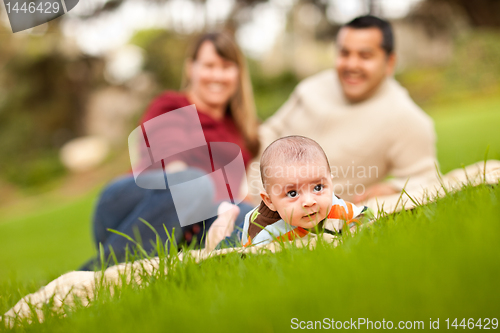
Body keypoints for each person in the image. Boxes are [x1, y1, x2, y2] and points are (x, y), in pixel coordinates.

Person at [81, 31, 260, 270]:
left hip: (193, 225)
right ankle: (94, 274)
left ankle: (151, 268)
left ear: (238, 73)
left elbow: (237, 193)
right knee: (194, 183)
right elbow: (171, 164)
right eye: (209, 65)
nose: (217, 75)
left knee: (252, 219)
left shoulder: (240, 129)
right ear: (190, 68)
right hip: (132, 206)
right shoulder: (171, 105)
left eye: (226, 67)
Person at [247, 15, 438, 205]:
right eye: (344, 53)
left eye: (365, 56)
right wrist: (244, 185)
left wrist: (393, 188)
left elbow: (427, 179)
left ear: (389, 63)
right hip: (242, 190)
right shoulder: (311, 88)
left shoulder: (404, 117)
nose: (351, 65)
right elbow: (269, 132)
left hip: (298, 216)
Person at [214, 136, 372, 248]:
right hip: (242, 233)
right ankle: (225, 217)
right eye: (292, 193)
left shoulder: (336, 207)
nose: (309, 201)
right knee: (216, 245)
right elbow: (247, 260)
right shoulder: (264, 232)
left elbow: (365, 218)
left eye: (318, 188)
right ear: (270, 201)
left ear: (330, 182)